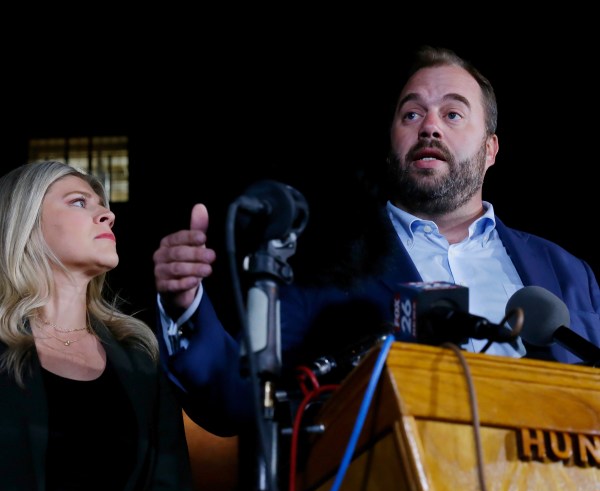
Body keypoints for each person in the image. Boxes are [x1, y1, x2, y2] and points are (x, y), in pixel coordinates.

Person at [153, 44, 600, 433]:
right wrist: (185, 306)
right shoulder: (326, 267)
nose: (429, 126)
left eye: (452, 113)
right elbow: (241, 398)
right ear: (392, 143)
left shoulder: (566, 273)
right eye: (411, 113)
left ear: (490, 149)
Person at [0, 160, 193, 491]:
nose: (107, 214)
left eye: (104, 205)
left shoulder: (141, 357)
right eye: (80, 202)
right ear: (26, 225)